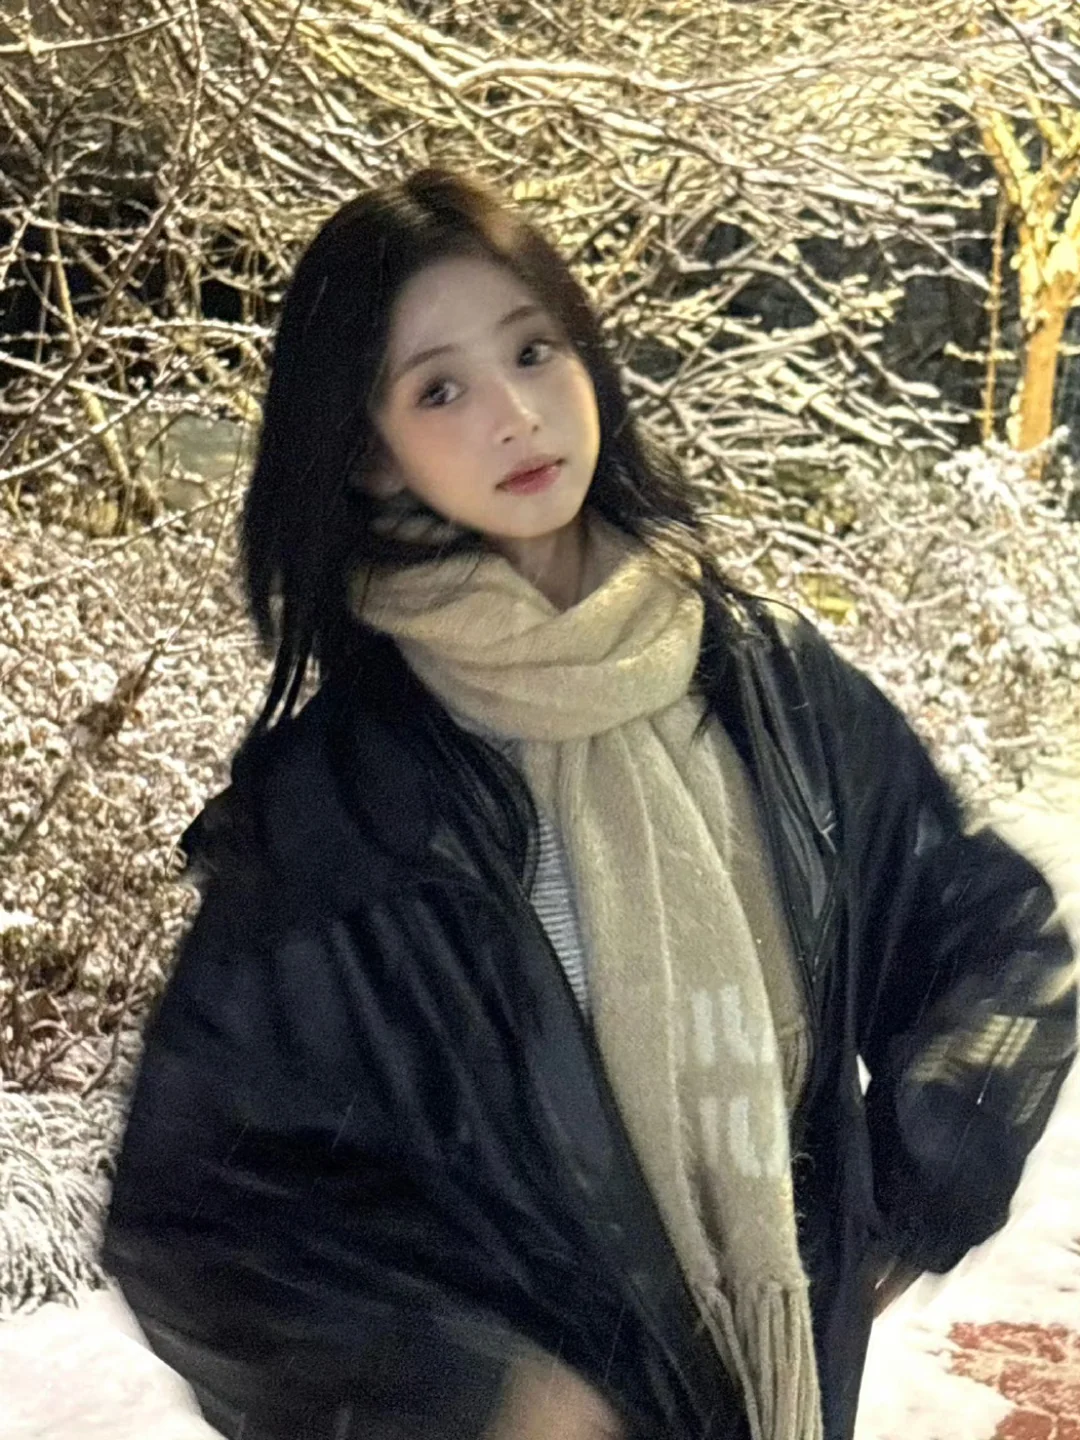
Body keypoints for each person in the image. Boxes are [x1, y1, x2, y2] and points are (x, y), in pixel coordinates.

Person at [102, 168, 1077, 1440]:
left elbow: (999, 941)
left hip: (775, 1396)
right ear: (368, 452)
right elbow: (197, 1217)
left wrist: (891, 1207)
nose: (513, 414)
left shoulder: (768, 685)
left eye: (532, 350)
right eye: (439, 389)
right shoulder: (346, 799)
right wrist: (485, 1392)